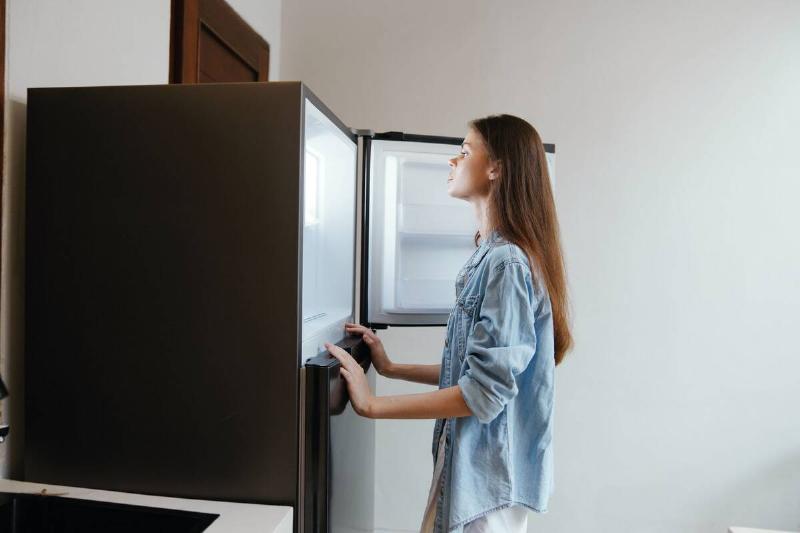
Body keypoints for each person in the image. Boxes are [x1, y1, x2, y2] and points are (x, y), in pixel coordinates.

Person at [326, 114, 573, 533]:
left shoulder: (507, 263)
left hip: (486, 487)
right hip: (471, 471)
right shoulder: (490, 256)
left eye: (464, 151)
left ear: (496, 168)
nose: (452, 162)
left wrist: (372, 406)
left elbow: (483, 394)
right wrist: (391, 368)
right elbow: (472, 375)